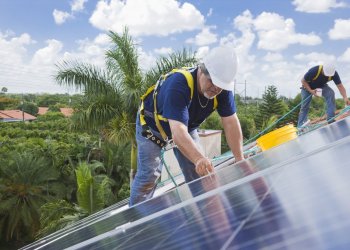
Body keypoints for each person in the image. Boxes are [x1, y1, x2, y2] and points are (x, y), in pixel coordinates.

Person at [129, 45, 244, 206]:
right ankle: (135, 220)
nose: (216, 88)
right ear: (201, 70)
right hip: (152, 129)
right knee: (148, 176)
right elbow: (178, 133)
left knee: (199, 173)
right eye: (212, 81)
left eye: (221, 85)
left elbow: (231, 122)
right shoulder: (179, 84)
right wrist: (199, 159)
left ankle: (207, 216)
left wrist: (240, 160)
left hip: (186, 128)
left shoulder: (222, 89)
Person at [297, 63, 350, 127]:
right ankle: (301, 125)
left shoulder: (334, 73)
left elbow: (340, 86)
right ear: (323, 69)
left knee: (330, 93)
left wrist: (345, 98)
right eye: (326, 74)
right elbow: (303, 81)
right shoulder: (314, 71)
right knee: (305, 106)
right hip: (307, 88)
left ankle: (330, 119)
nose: (327, 76)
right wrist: (311, 91)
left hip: (320, 87)